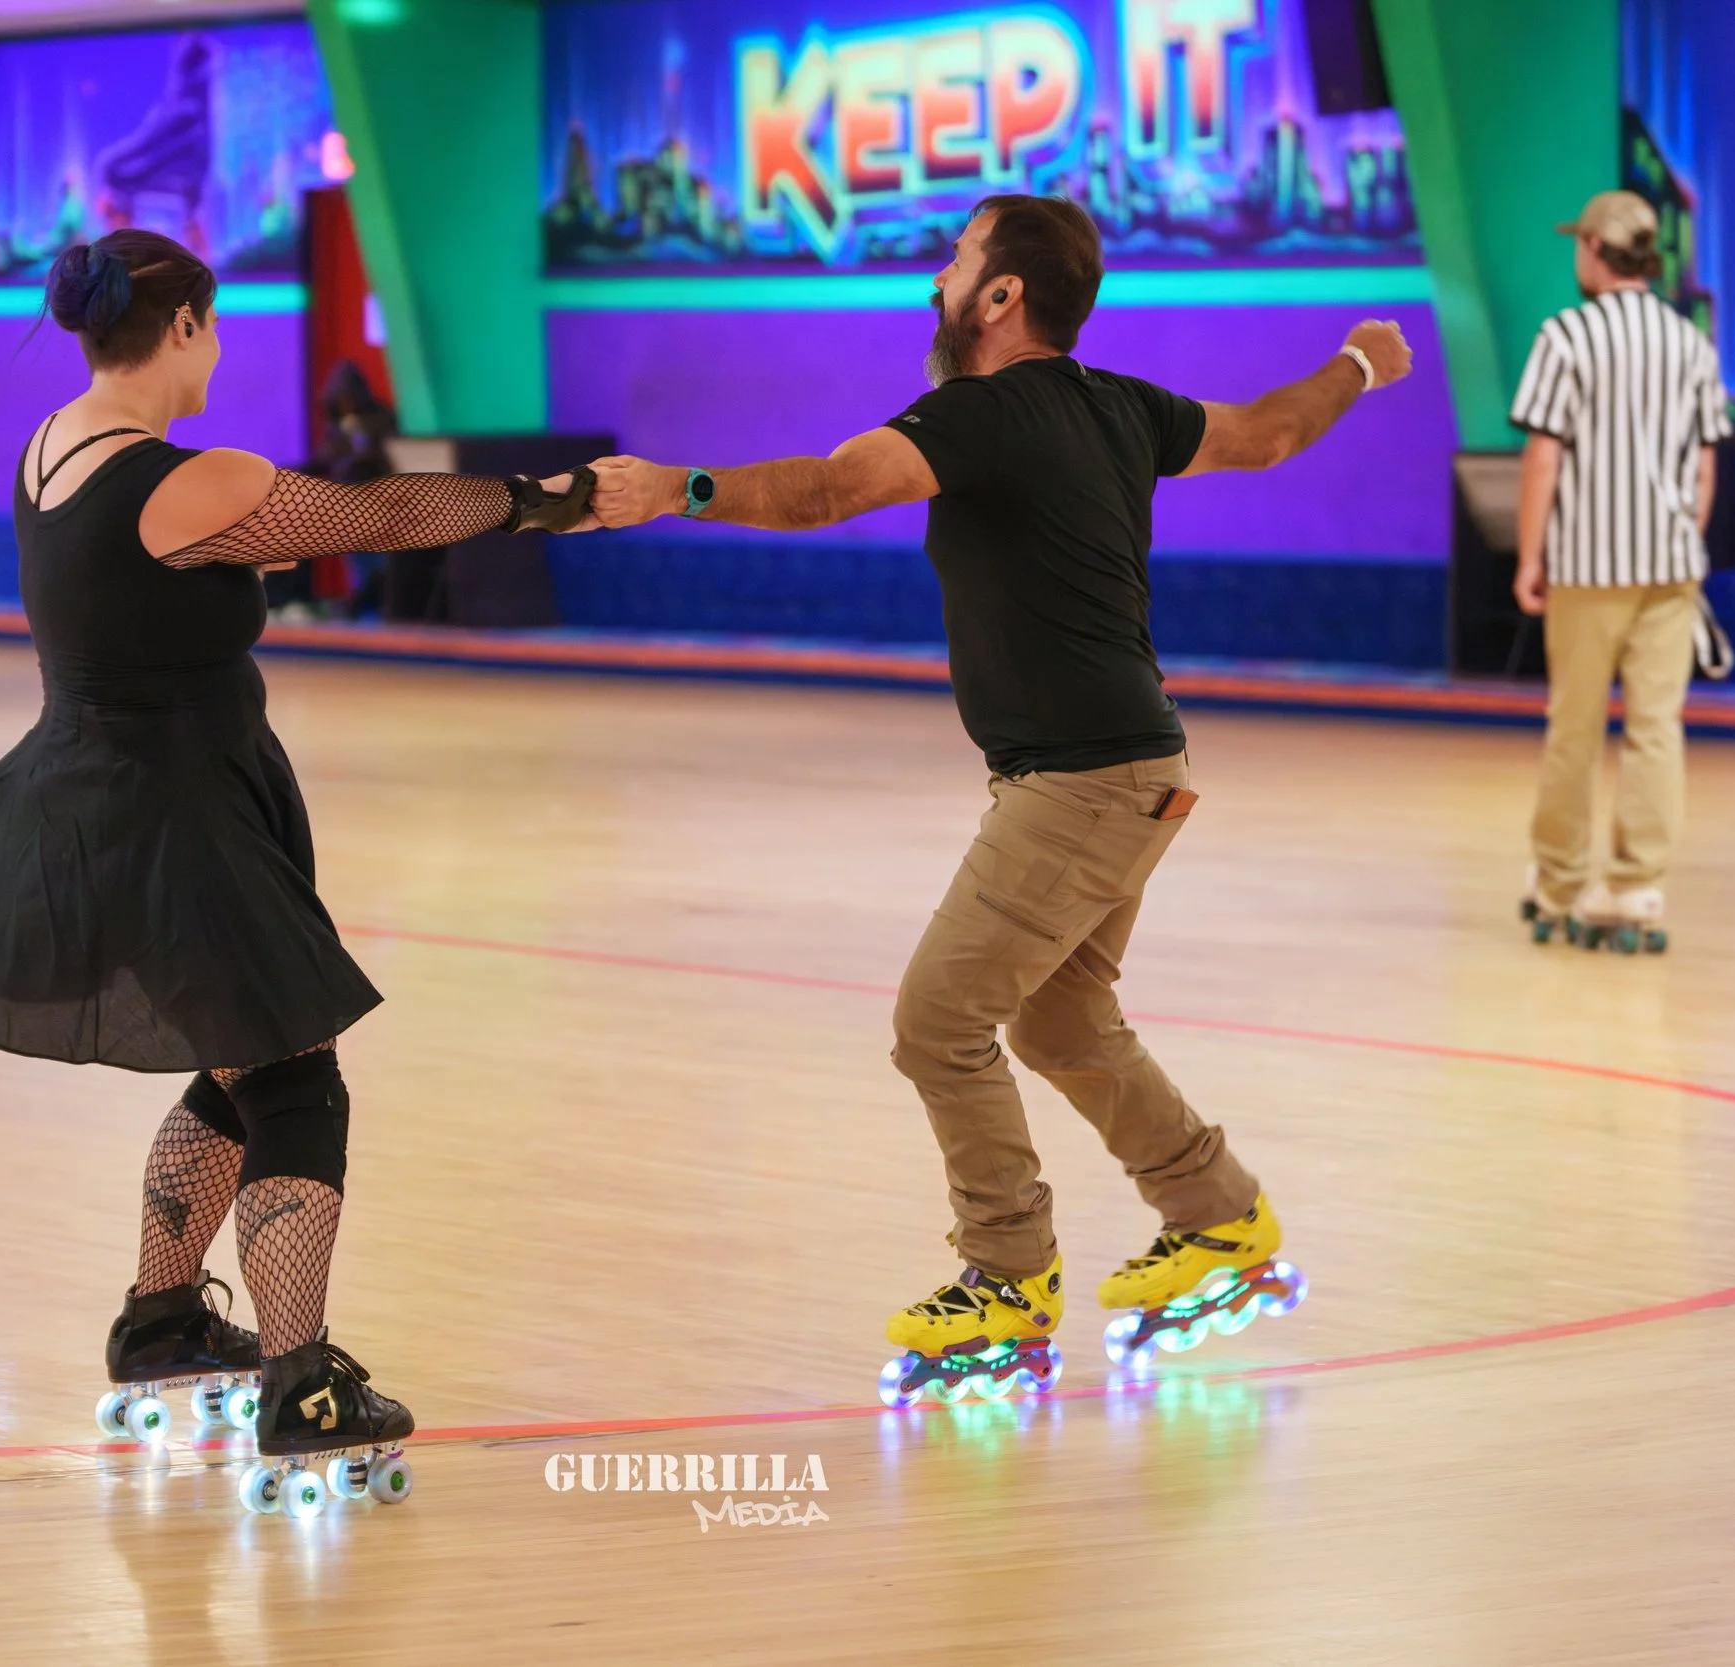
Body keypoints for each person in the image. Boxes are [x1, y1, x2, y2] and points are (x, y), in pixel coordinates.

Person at [0, 231, 595, 1492]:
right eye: (212, 327)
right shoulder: (188, 478)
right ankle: (303, 1380)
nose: (217, 350)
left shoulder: (54, 447)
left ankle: (162, 1319)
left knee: (236, 1057)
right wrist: (552, 497)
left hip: (102, 794)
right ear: (181, 326)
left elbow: (160, 576)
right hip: (173, 811)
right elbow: (382, 515)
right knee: (294, 1076)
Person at [588, 194, 1411, 1373]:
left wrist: (682, 487)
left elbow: (828, 489)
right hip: (1134, 766)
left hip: (1082, 781)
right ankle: (1217, 1217)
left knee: (939, 1020)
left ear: (1002, 294)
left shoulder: (978, 414)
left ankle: (1008, 1277)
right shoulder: (1122, 405)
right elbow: (1270, 432)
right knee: (1060, 1017)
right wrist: (1357, 364)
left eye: (955, 259)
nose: (935, 279)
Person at [1511, 189, 1731, 955]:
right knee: (1655, 730)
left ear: (1597, 250)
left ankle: (1560, 882)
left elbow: (1543, 455)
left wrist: (1530, 556)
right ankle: (1638, 884)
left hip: (1587, 567)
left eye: (1580, 242)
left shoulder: (1566, 335)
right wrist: (1681, 543)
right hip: (1671, 568)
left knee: (1574, 727)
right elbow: (1705, 467)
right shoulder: (1690, 342)